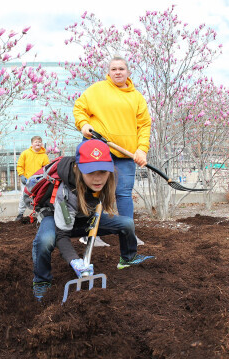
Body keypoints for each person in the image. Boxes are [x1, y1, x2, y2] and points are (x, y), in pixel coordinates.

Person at [31, 139, 153, 300]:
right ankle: (41, 281)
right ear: (78, 169)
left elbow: (99, 202)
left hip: (85, 218)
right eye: (90, 172)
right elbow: (62, 235)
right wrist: (74, 260)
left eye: (102, 171)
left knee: (126, 223)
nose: (98, 179)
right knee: (45, 240)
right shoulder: (66, 194)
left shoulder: (109, 179)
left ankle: (128, 258)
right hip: (56, 218)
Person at [73, 56, 151, 245]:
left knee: (124, 193)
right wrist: (83, 125)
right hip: (98, 150)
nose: (117, 72)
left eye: (121, 69)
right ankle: (90, 234)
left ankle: (128, 233)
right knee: (94, 191)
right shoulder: (97, 90)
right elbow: (79, 108)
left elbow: (144, 125)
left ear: (128, 72)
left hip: (125, 154)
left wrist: (141, 149)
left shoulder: (137, 97)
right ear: (109, 72)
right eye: (114, 69)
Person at [16, 136, 50, 222]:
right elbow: (20, 165)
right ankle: (20, 214)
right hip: (27, 180)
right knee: (24, 197)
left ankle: (37, 215)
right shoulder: (25, 153)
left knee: (38, 198)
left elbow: (46, 168)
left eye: (39, 142)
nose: (38, 143)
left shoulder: (44, 156)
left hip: (38, 181)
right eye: (36, 142)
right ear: (32, 144)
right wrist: (21, 175)